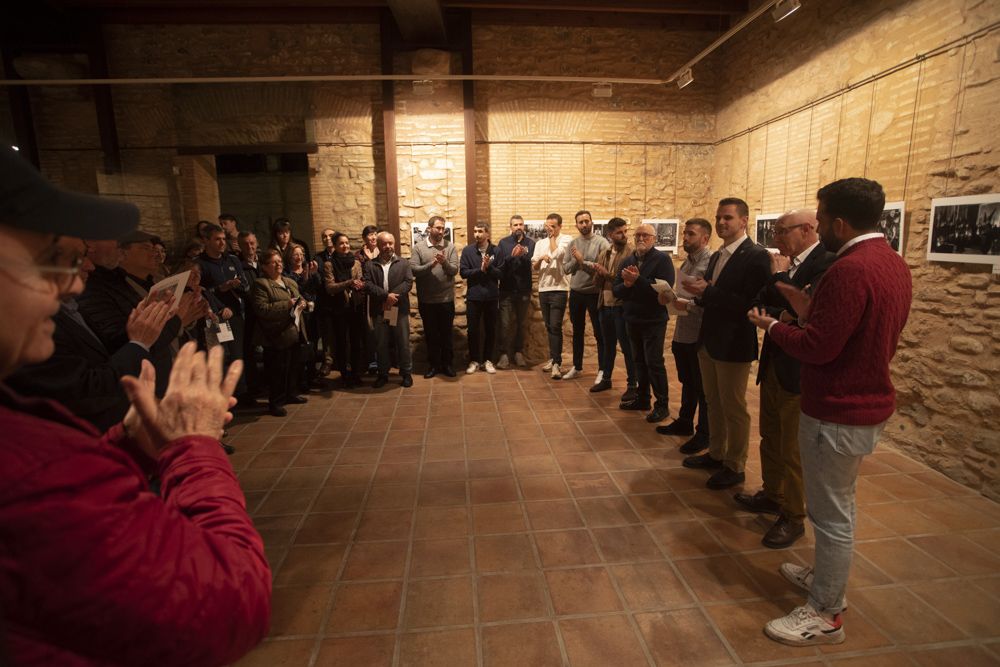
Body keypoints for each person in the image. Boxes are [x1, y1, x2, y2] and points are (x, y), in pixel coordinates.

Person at [0, 145, 270, 665]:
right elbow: (227, 603)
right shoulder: (33, 476)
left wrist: (131, 446)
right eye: (49, 260)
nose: (73, 282)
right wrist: (193, 449)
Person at [748, 178, 912, 646]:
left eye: (820, 220)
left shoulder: (848, 269)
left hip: (839, 408)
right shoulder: (892, 262)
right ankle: (824, 578)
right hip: (864, 401)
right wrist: (804, 307)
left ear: (839, 222)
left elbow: (819, 347)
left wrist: (774, 325)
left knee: (831, 514)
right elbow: (854, 330)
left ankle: (826, 612)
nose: (818, 227)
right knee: (837, 506)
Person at [739, 210, 835, 550]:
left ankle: (794, 516)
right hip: (776, 362)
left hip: (799, 369)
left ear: (807, 230)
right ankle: (773, 492)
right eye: (775, 230)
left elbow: (803, 311)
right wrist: (778, 306)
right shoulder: (786, 263)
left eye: (782, 230)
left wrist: (780, 287)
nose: (776, 237)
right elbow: (761, 301)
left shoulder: (825, 263)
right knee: (770, 434)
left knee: (794, 448)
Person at [7, 238, 173, 431]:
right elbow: (84, 392)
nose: (90, 266)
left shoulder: (69, 307)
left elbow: (104, 353)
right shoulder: (32, 322)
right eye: (77, 259)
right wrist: (139, 343)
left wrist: (142, 324)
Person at [682, 197, 771, 490]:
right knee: (713, 401)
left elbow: (752, 305)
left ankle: (735, 464)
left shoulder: (755, 256)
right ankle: (717, 452)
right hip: (709, 339)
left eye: (728, 218)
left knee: (733, 406)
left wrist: (708, 291)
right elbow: (712, 295)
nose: (722, 223)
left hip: (734, 342)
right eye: (719, 217)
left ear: (744, 221)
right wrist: (695, 295)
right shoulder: (720, 255)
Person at [656, 218, 712, 454]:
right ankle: (685, 421)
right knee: (687, 381)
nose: (685, 238)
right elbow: (682, 294)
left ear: (705, 238)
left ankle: (704, 433)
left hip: (699, 332)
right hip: (683, 331)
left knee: (702, 387)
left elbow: (706, 300)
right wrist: (667, 297)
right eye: (685, 234)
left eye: (690, 234)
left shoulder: (710, 262)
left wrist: (683, 302)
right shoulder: (688, 263)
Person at [612, 223, 674, 424]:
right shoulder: (627, 260)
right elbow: (616, 290)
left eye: (645, 235)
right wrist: (628, 284)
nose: (640, 238)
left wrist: (636, 281)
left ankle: (662, 405)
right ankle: (643, 398)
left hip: (653, 319)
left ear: (654, 238)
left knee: (654, 362)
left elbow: (663, 291)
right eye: (637, 235)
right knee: (638, 361)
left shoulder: (662, 260)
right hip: (632, 318)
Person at [252, 249, 308, 417]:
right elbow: (262, 309)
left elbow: (298, 298)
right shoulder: (261, 284)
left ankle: (290, 393)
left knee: (293, 365)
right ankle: (275, 402)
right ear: (264, 266)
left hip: (294, 330)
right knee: (277, 369)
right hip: (276, 334)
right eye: (273, 262)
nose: (278, 265)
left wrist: (303, 303)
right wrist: (288, 304)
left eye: (280, 261)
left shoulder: (289, 281)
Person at [196, 223, 249, 399]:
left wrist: (238, 286)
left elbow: (245, 286)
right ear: (206, 241)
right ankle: (220, 396)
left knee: (237, 355)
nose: (221, 243)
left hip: (234, 315)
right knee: (218, 358)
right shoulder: (200, 265)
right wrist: (221, 289)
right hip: (213, 319)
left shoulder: (232, 260)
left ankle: (239, 394)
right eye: (217, 239)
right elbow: (200, 291)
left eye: (223, 239)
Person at [562, 210, 611, 383]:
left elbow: (603, 268)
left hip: (594, 293)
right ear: (576, 225)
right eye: (580, 222)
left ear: (592, 222)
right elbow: (566, 268)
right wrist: (577, 261)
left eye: (586, 221)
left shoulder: (602, 242)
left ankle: (602, 369)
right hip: (576, 292)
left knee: (600, 333)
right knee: (578, 332)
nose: (584, 224)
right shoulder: (573, 243)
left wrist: (583, 262)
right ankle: (577, 366)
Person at [592, 217, 637, 400]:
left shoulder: (631, 254)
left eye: (625, 231)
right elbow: (596, 282)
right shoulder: (605, 252)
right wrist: (598, 274)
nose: (624, 235)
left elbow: (624, 281)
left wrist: (606, 274)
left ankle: (632, 384)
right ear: (610, 234)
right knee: (607, 344)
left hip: (620, 306)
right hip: (604, 303)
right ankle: (606, 378)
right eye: (619, 232)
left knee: (627, 347)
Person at [409, 215, 459, 378]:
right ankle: (433, 365)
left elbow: (454, 271)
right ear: (429, 229)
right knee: (431, 335)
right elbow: (414, 270)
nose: (441, 231)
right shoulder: (419, 248)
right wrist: (432, 264)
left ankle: (447, 365)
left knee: (446, 334)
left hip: (446, 299)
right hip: (427, 300)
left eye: (443, 228)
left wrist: (444, 262)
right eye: (438, 227)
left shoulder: (450, 247)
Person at [363, 232, 414, 388]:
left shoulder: (403, 263)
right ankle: (383, 373)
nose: (388, 246)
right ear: (378, 245)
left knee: (403, 342)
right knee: (381, 343)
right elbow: (368, 284)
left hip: (399, 309)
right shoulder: (370, 265)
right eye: (384, 244)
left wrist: (393, 297)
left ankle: (406, 373)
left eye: (390, 243)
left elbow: (408, 282)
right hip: (380, 309)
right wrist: (386, 296)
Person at [531, 213, 572, 379]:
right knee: (549, 326)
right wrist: (541, 258)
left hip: (559, 288)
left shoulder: (566, 239)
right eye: (547, 226)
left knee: (555, 326)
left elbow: (558, 254)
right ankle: (553, 357)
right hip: (544, 289)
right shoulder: (540, 243)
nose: (549, 229)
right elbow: (534, 266)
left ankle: (557, 363)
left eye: (553, 226)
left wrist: (553, 237)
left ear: (559, 226)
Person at [323, 232, 367, 388]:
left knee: (356, 342)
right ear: (334, 246)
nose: (345, 246)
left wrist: (360, 285)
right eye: (341, 243)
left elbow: (360, 280)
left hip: (355, 307)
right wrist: (349, 282)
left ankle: (356, 373)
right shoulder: (329, 264)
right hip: (339, 308)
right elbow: (330, 288)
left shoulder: (356, 263)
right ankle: (344, 374)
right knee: (342, 343)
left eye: (347, 243)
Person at [494, 215, 535, 369]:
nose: (518, 227)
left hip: (524, 290)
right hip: (506, 290)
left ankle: (518, 353)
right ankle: (503, 354)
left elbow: (532, 263)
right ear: (510, 227)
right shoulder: (503, 243)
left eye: (521, 224)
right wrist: (512, 257)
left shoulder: (530, 243)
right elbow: (500, 265)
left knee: (521, 323)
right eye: (515, 224)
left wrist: (523, 255)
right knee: (504, 324)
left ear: (524, 226)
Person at [460, 222, 502, 374]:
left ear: (487, 234)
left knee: (490, 330)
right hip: (474, 297)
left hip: (491, 297)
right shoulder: (468, 251)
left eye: (480, 231)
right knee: (473, 330)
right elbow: (463, 272)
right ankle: (474, 360)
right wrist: (480, 270)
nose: (477, 234)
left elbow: (501, 273)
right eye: (475, 231)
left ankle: (488, 360)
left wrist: (489, 267)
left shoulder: (496, 250)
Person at [356, 224, 381, 375]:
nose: (373, 237)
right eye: (370, 235)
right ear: (364, 238)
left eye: (375, 234)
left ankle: (386, 359)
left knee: (386, 327)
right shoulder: (358, 256)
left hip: (382, 295)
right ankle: (372, 361)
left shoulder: (383, 251)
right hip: (366, 298)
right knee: (369, 329)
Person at [314, 228, 338, 376]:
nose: (327, 238)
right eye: (324, 236)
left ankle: (344, 360)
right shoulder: (318, 258)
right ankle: (328, 361)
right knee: (327, 333)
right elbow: (318, 279)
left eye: (330, 235)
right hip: (326, 299)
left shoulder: (342, 254)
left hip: (342, 299)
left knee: (343, 331)